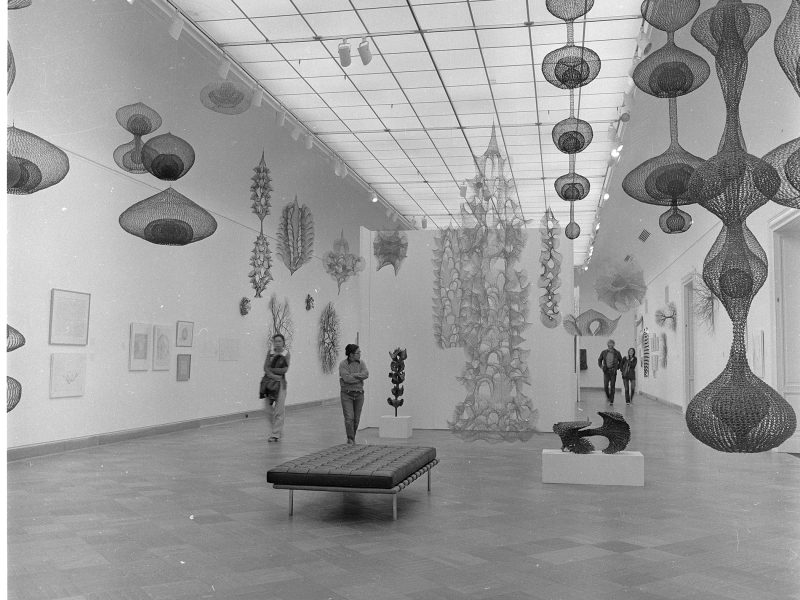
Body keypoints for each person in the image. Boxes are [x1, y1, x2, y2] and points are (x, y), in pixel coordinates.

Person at [339, 344, 369, 444]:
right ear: (351, 354)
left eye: (360, 352)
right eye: (358, 352)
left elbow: (366, 374)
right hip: (346, 394)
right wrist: (358, 378)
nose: (360, 354)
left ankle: (352, 437)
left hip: (359, 394)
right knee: (349, 418)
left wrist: (354, 375)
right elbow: (346, 378)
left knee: (356, 419)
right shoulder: (343, 364)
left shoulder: (362, 363)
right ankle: (350, 439)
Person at [262, 334, 290, 442]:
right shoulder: (270, 353)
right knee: (267, 410)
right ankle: (277, 429)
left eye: (279, 341)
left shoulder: (286, 354)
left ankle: (275, 434)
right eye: (275, 341)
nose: (277, 343)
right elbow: (265, 367)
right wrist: (273, 375)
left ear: (283, 342)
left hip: (281, 385)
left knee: (279, 410)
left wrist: (271, 370)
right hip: (269, 384)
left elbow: (284, 369)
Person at [598, 339, 623, 404]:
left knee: (612, 386)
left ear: (614, 345)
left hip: (613, 372)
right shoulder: (604, 352)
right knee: (606, 386)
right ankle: (608, 397)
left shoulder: (617, 352)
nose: (611, 344)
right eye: (609, 343)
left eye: (612, 343)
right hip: (606, 371)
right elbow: (599, 360)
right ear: (608, 344)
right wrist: (601, 366)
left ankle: (612, 400)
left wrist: (618, 367)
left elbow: (621, 361)